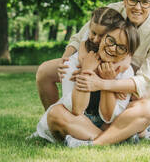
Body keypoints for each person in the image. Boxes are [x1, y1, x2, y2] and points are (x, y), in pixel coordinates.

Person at [36, 0, 150, 146]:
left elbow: (145, 80)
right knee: (45, 72)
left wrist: (103, 82)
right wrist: (68, 60)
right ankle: (73, 126)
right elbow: (81, 37)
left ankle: (137, 129)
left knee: (145, 98)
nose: (138, 7)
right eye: (132, 0)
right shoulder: (113, 11)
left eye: (145, 2)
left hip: (133, 77)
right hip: (97, 60)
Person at [34, 12, 139, 143]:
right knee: (56, 113)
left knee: (134, 109)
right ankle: (112, 140)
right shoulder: (73, 63)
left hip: (102, 125)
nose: (112, 48)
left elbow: (110, 117)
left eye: (121, 47)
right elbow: (76, 109)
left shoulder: (124, 70)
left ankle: (90, 142)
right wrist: (87, 70)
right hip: (77, 122)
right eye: (110, 40)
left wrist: (108, 82)